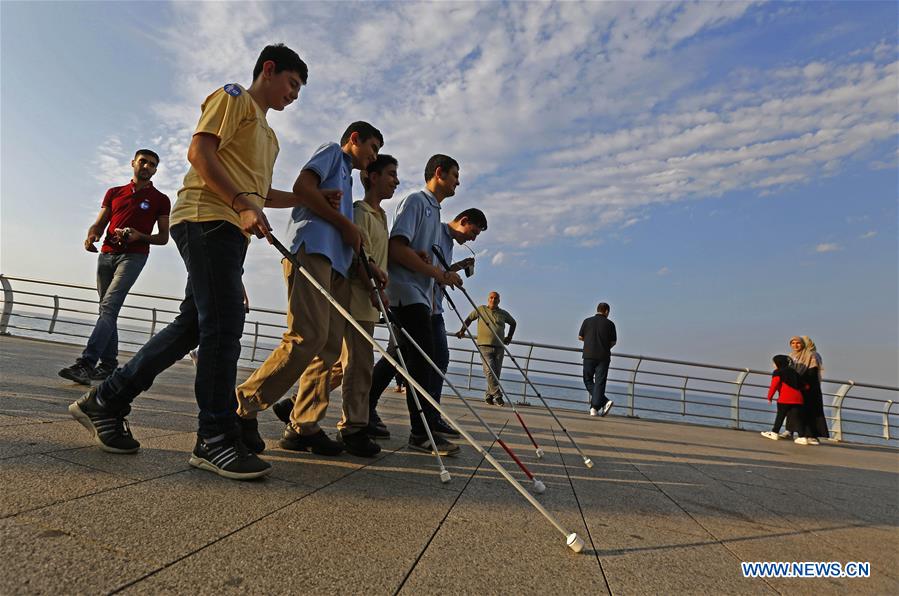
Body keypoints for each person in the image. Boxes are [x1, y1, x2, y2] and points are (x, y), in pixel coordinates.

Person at [69, 43, 309, 480]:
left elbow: (260, 192)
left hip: (230, 228)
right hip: (205, 217)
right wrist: (240, 202)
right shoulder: (234, 98)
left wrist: (302, 200)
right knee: (222, 325)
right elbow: (200, 153)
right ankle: (214, 437)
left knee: (195, 325)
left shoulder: (270, 137)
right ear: (269, 70)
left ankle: (106, 400)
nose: (294, 95)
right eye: (292, 83)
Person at [234, 121, 382, 457]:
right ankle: (243, 403)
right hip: (313, 251)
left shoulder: (346, 178)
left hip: (338, 265)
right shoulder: (332, 152)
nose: (374, 157)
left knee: (328, 347)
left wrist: (364, 262)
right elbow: (303, 186)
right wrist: (346, 224)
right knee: (306, 336)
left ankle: (305, 424)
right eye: (372, 147)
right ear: (354, 139)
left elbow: (339, 224)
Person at [270, 154, 397, 456]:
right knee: (353, 365)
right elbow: (356, 253)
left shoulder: (381, 217)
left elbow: (376, 257)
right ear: (373, 177)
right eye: (390, 174)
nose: (396, 181)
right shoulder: (359, 211)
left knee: (347, 364)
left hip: (370, 298)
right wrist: (370, 283)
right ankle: (351, 427)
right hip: (355, 294)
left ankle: (299, 410)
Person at [367, 208, 487, 439]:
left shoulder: (450, 244)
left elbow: (438, 270)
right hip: (413, 303)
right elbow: (420, 263)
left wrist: (456, 268)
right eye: (473, 232)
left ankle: (430, 416)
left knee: (423, 358)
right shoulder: (434, 231)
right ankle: (417, 419)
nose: (472, 239)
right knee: (400, 358)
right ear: (463, 221)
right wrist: (443, 275)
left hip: (432, 306)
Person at [58, 150, 171, 385]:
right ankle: (109, 366)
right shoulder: (114, 192)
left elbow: (163, 238)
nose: (147, 167)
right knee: (106, 310)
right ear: (133, 163)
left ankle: (86, 364)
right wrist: (92, 236)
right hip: (107, 255)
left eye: (152, 164)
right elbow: (99, 223)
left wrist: (139, 235)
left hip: (134, 257)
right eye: (143, 162)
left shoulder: (161, 199)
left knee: (108, 307)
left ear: (156, 170)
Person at [386, 154, 464, 456]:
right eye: (455, 175)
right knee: (422, 364)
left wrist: (439, 276)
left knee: (417, 362)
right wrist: (439, 274)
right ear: (440, 173)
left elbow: (425, 258)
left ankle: (424, 428)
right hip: (406, 292)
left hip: (422, 296)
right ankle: (421, 433)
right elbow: (395, 248)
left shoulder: (435, 210)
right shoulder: (416, 202)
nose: (458, 182)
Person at [456, 291, 516, 406]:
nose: (493, 300)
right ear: (488, 299)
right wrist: (462, 331)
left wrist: (509, 337)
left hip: (499, 347)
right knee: (489, 370)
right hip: (484, 346)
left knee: (495, 374)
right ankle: (498, 396)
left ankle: (488, 396)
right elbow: (469, 319)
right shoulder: (481, 309)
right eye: (491, 298)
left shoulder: (503, 313)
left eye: (496, 298)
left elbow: (513, 323)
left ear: (499, 301)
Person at [578, 302, 617, 416]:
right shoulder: (610, 324)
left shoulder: (587, 321)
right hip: (604, 356)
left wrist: (590, 342)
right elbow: (613, 342)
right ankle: (600, 404)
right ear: (606, 311)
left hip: (589, 355)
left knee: (587, 380)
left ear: (597, 310)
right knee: (600, 382)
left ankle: (595, 408)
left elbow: (580, 337)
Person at [761, 355, 807, 442]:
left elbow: (774, 385)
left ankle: (774, 433)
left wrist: (769, 397)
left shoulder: (778, 372)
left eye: (774, 363)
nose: (773, 365)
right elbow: (806, 386)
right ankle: (802, 437)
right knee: (797, 418)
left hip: (784, 398)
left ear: (778, 363)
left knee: (780, 416)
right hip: (798, 399)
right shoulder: (794, 372)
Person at [791, 335, 829, 444]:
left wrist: (802, 381)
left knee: (811, 410)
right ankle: (802, 433)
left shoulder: (812, 355)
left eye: (799, 342)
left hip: (810, 387)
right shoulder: (794, 355)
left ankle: (811, 435)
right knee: (801, 410)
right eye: (793, 343)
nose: (796, 345)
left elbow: (812, 371)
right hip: (799, 386)